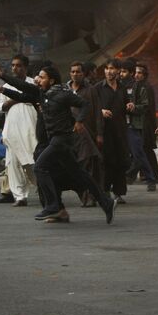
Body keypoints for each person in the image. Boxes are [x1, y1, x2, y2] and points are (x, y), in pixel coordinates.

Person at [0, 64, 116, 223]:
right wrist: (3, 90)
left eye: (42, 77)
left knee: (40, 167)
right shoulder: (41, 93)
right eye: (38, 77)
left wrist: (80, 121)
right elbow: (22, 93)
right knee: (80, 174)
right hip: (54, 141)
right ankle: (106, 202)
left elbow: (85, 104)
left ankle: (53, 206)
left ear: (52, 80)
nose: (38, 80)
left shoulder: (62, 94)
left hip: (63, 140)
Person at [0, 55, 38, 206]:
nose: (15, 68)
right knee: (13, 164)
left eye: (18, 65)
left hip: (30, 129)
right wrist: (16, 98)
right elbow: (0, 107)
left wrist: (17, 98)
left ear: (26, 67)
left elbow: (34, 98)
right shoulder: (5, 87)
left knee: (32, 162)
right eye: (13, 65)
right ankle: (20, 196)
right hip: (12, 129)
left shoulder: (34, 83)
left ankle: (45, 188)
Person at [92, 59, 130, 205]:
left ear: (118, 71)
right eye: (107, 68)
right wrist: (101, 112)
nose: (109, 71)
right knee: (106, 161)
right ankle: (105, 190)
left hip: (120, 130)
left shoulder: (122, 87)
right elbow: (89, 106)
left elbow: (126, 104)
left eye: (112, 68)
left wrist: (130, 105)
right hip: (104, 130)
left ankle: (119, 192)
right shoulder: (97, 88)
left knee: (121, 161)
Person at [67, 61, 102, 206]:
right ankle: (83, 194)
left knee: (88, 166)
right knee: (73, 167)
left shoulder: (90, 90)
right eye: (73, 71)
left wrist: (99, 134)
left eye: (78, 72)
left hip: (87, 134)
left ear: (83, 74)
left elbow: (97, 113)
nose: (75, 74)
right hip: (69, 135)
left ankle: (90, 197)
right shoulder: (66, 89)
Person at [126, 63, 158, 186]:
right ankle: (155, 175)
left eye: (139, 73)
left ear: (144, 75)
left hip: (144, 124)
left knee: (141, 151)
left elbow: (146, 106)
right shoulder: (136, 85)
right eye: (135, 72)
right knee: (145, 150)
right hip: (137, 123)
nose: (136, 75)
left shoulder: (145, 87)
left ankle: (130, 175)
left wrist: (133, 108)